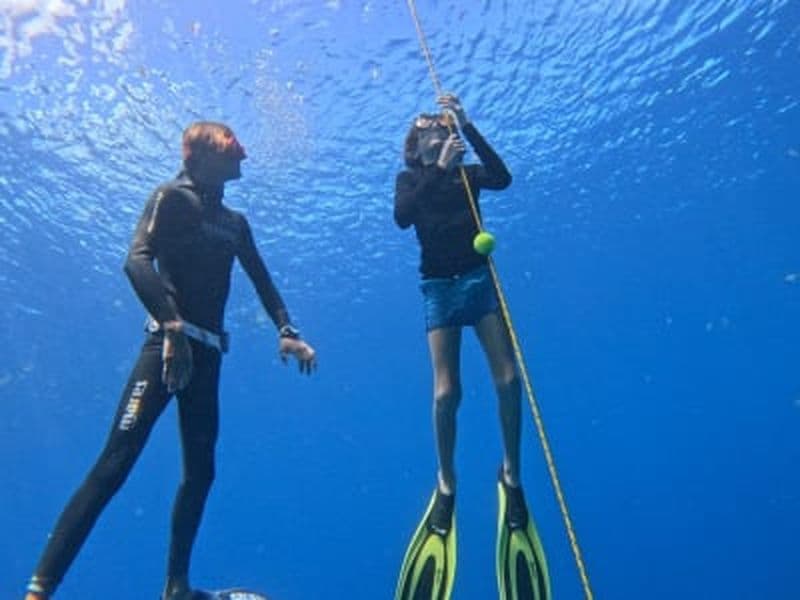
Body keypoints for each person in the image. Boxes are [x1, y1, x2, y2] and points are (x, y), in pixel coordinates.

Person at [24, 122, 317, 600]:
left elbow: (262, 279)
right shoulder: (172, 197)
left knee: (201, 473)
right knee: (115, 463)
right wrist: (172, 326)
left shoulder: (235, 224)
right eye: (230, 147)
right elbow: (136, 261)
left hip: (208, 356)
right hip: (165, 350)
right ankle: (39, 590)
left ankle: (176, 589)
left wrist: (287, 332)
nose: (242, 154)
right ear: (199, 156)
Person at [393, 95, 549, 599]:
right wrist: (439, 168)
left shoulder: (466, 174)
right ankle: (446, 483)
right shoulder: (411, 180)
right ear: (415, 145)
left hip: (479, 282)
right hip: (439, 289)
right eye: (429, 126)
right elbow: (403, 217)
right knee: (447, 393)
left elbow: (503, 178)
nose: (438, 128)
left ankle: (512, 475)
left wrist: (470, 126)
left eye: (443, 126)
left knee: (509, 379)